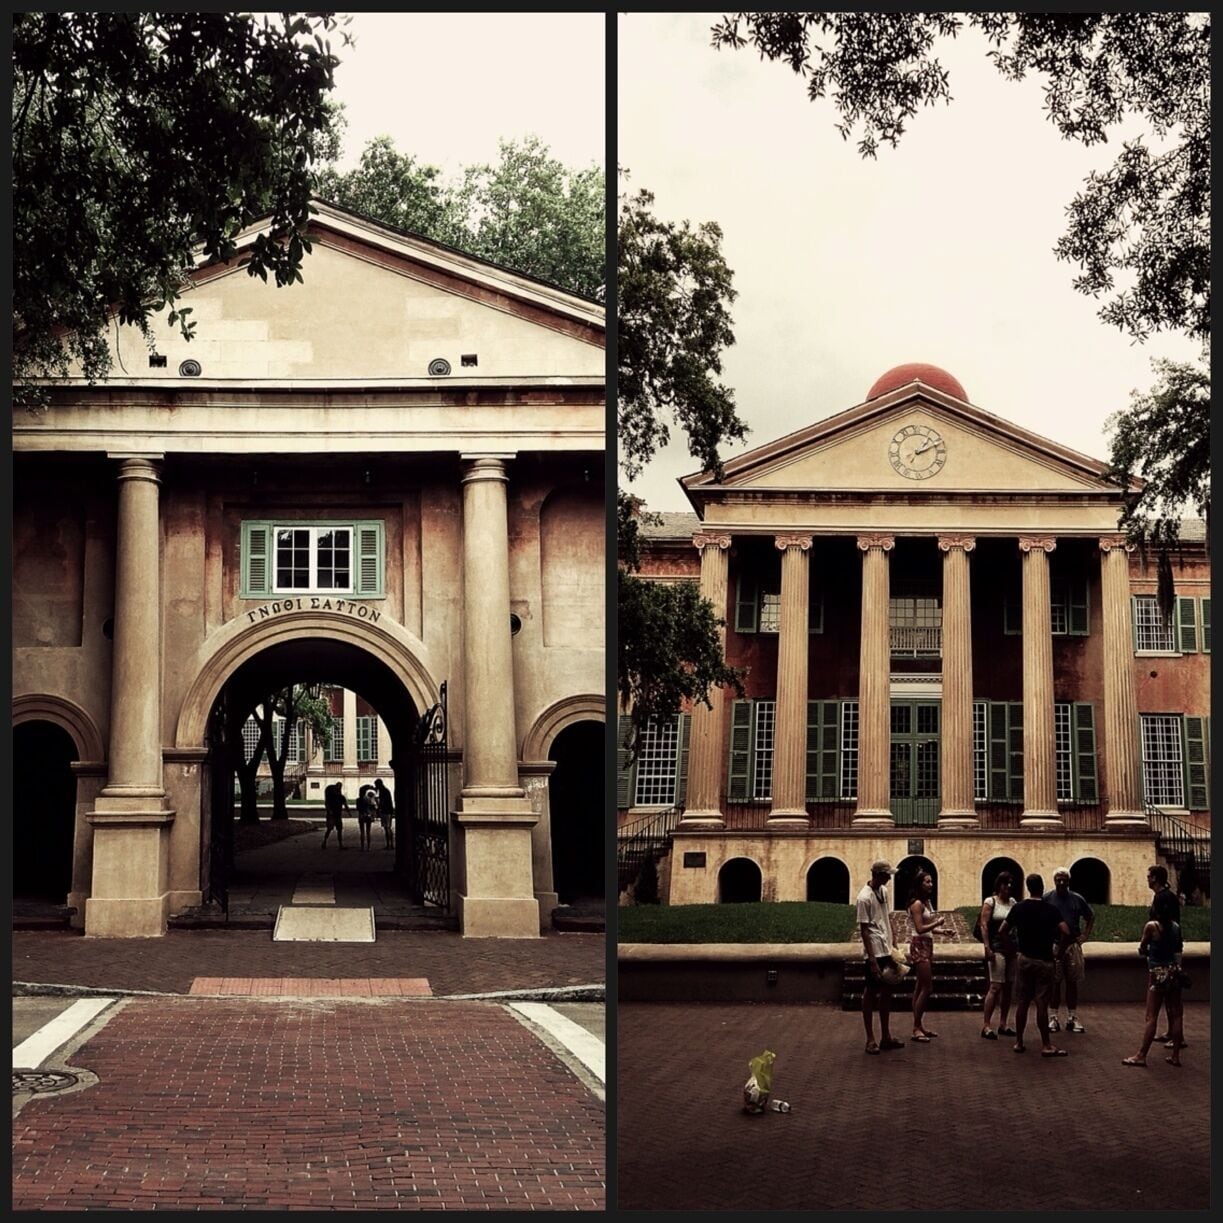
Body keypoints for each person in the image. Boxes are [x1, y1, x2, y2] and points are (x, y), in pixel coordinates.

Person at [996, 873, 1072, 1057]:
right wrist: (1059, 951)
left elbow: (1002, 930)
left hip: (1024, 959)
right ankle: (1046, 1044)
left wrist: (1013, 949)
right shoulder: (1050, 909)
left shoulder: (1019, 908)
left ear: (1028, 887)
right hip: (1044, 960)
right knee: (1041, 1004)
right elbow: (1066, 931)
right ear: (1042, 887)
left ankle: (1019, 1042)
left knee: (1022, 1002)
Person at [1122, 906, 1185, 1068]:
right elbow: (1178, 950)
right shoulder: (1176, 927)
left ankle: (1141, 1055)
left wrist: (1147, 950)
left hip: (1157, 973)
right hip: (1173, 972)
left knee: (1151, 1016)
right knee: (1176, 1014)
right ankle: (1176, 1055)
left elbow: (1143, 948)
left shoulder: (1152, 927)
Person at [856, 860, 904, 1055]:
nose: (890, 878)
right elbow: (864, 930)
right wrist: (873, 960)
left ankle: (886, 1035)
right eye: (887, 875)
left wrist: (894, 942)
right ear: (878, 875)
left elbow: (887, 916)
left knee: (887, 993)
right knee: (870, 994)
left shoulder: (883, 892)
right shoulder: (863, 897)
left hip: (886, 947)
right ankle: (870, 1038)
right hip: (874, 951)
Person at [1043, 867, 1094, 1033]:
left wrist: (1084, 936)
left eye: (1064, 879)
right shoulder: (1048, 898)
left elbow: (1090, 916)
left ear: (1069, 881)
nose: (1061, 882)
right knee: (1055, 982)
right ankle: (1053, 1017)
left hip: (1072, 944)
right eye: (1058, 879)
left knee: (1072, 982)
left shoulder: (1077, 899)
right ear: (1054, 881)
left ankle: (1072, 1017)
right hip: (1054, 944)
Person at [1146, 865, 1187, 1050]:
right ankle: (1172, 1033)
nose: (1147, 879)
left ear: (1155, 878)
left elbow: (1169, 926)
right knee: (1172, 1002)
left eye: (1149, 876)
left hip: (1165, 957)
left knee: (1171, 1004)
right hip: (1167, 955)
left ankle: (1178, 1037)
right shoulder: (1165, 896)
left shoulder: (1164, 898)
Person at [978, 870, 1018, 1041]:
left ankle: (1003, 1023)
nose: (1008, 886)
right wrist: (987, 947)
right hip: (997, 948)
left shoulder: (1013, 902)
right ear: (999, 885)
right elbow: (984, 925)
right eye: (1005, 883)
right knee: (995, 986)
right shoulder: (990, 901)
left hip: (1011, 948)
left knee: (1008, 987)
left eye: (1010, 883)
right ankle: (986, 1025)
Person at [906, 870, 945, 1042]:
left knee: (920, 986)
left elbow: (927, 926)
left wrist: (943, 931)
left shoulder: (925, 902)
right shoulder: (916, 904)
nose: (931, 884)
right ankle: (915, 1027)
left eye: (931, 881)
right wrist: (937, 922)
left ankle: (919, 1025)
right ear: (920, 884)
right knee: (927, 988)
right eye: (927, 882)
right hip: (919, 944)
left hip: (927, 944)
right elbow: (920, 928)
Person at [322, 782, 349, 850]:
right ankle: (325, 841)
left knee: (337, 830)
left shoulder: (339, 797)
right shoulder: (334, 797)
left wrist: (348, 812)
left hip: (336, 815)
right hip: (333, 815)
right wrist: (329, 811)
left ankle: (339, 844)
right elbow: (327, 804)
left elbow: (345, 805)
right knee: (330, 829)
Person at [374, 777, 395, 850]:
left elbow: (382, 802)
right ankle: (390, 844)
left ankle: (389, 844)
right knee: (388, 827)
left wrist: (379, 807)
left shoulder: (383, 791)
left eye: (376, 785)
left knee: (387, 828)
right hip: (388, 810)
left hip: (385, 811)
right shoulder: (385, 790)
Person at [355, 783, 377, 851]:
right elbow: (373, 807)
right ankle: (368, 847)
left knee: (362, 832)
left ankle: (362, 847)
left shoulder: (358, 800)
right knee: (368, 831)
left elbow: (358, 808)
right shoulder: (368, 799)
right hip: (368, 815)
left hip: (361, 815)